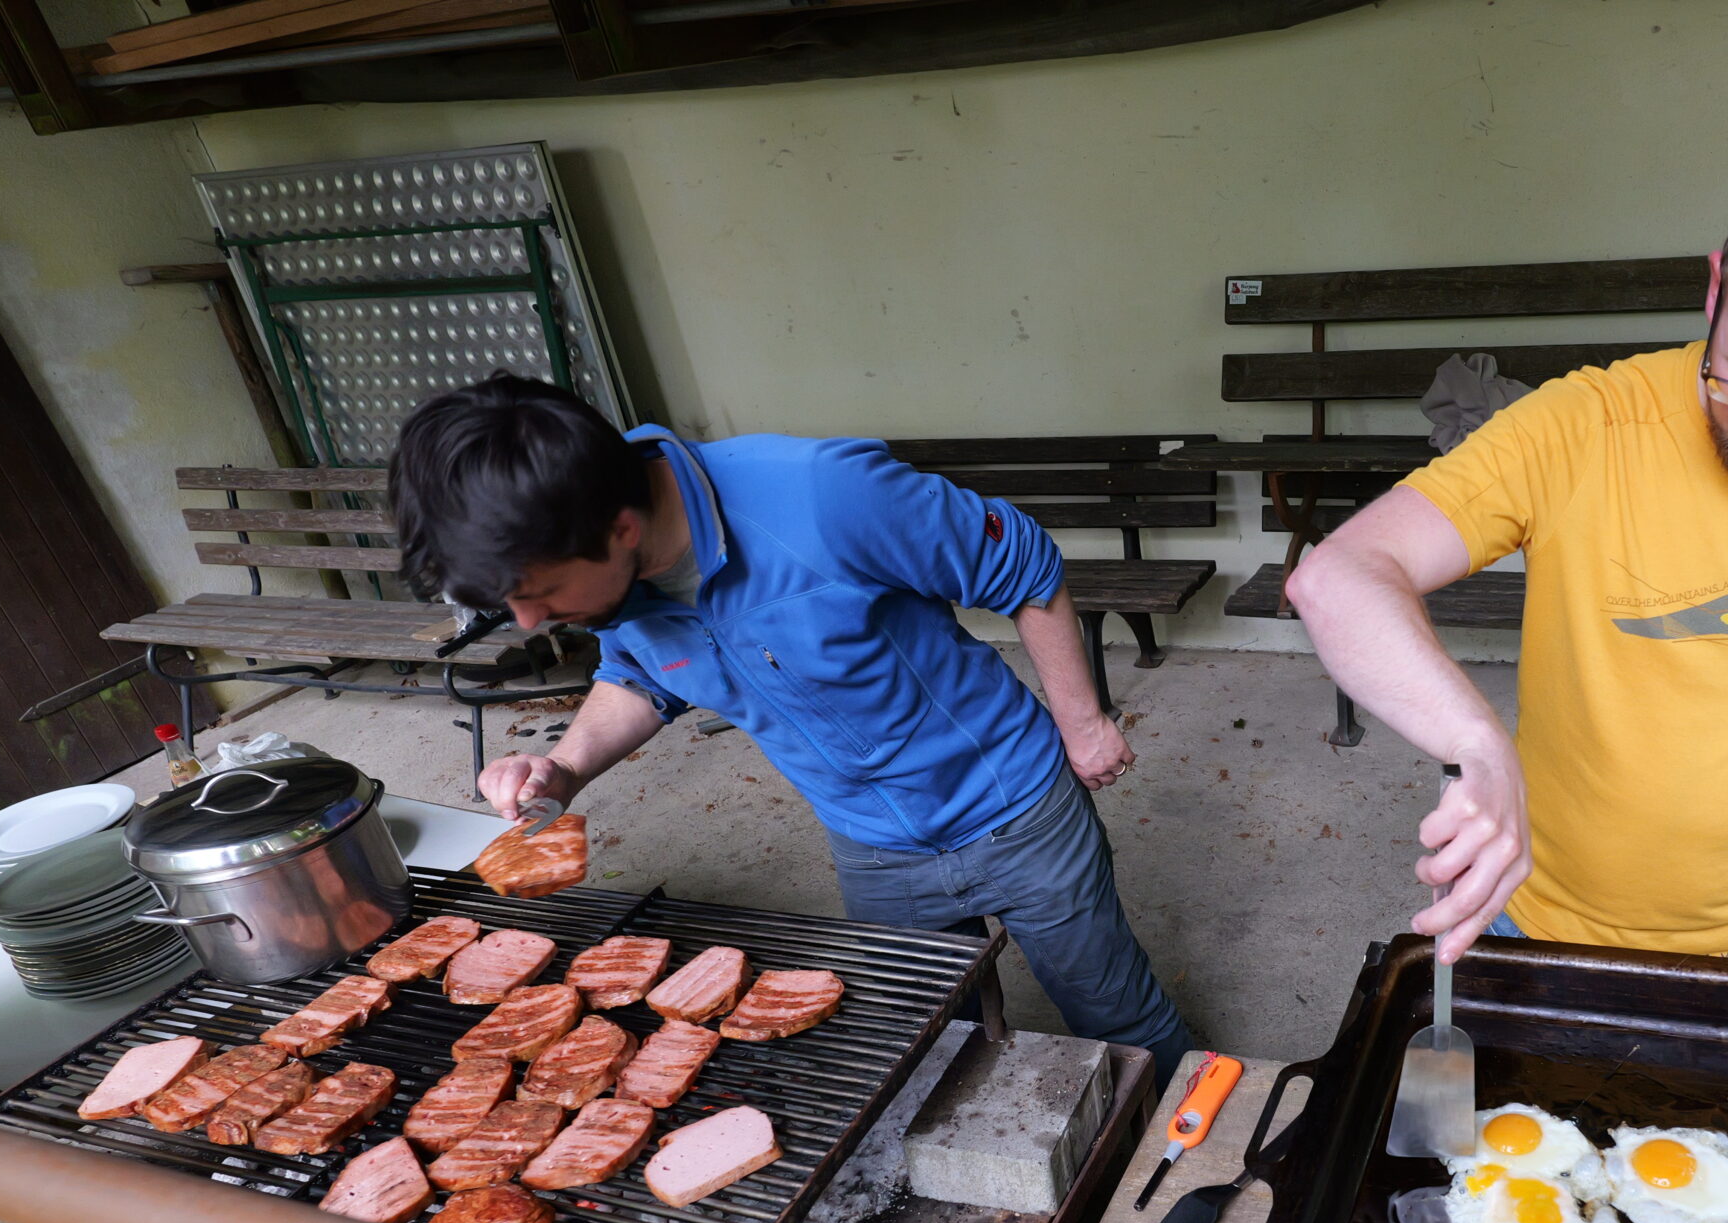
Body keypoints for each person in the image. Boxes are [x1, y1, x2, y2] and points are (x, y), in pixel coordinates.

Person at [1288, 135, 1728, 976]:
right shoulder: (1585, 422)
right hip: (1533, 928)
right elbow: (1337, 575)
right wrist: (1476, 742)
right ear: (1715, 286)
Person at [388, 375, 1196, 1076]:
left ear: (623, 528)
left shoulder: (823, 496)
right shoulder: (599, 566)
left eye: (540, 593)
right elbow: (639, 672)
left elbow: (1021, 562)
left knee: (1117, 1020)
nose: (529, 623)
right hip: (871, 844)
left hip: (1017, 813)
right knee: (927, 1042)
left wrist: (1082, 721)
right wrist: (562, 768)